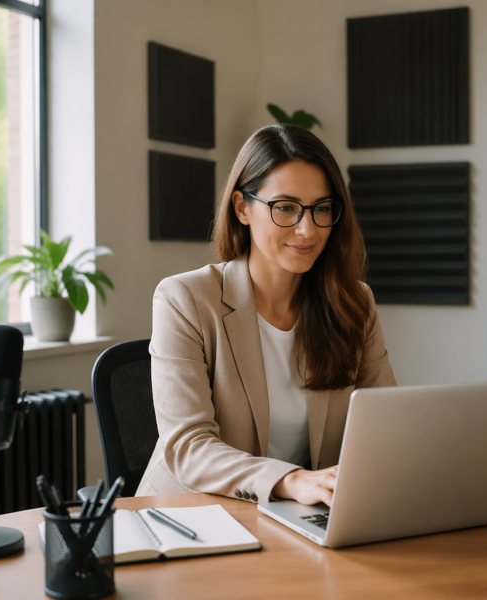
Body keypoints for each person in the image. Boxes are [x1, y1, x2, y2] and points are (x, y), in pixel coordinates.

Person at [135, 124, 396, 507]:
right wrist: (289, 480)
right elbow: (188, 446)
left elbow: (387, 421)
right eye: (286, 208)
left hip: (299, 516)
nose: (307, 229)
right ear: (243, 208)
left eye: (321, 208)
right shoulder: (185, 299)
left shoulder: (354, 302)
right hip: (194, 517)